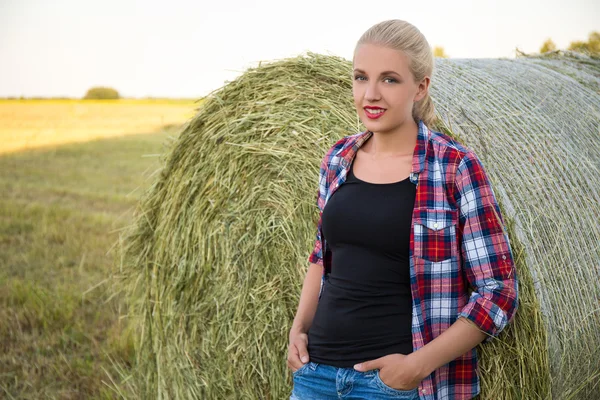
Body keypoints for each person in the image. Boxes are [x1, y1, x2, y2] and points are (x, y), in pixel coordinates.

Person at [287, 19, 518, 400]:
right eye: (361, 78)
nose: (370, 94)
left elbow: (499, 291)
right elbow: (321, 256)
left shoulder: (454, 167)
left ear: (421, 87)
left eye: (389, 79)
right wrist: (298, 329)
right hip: (315, 376)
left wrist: (416, 366)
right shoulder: (338, 158)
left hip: (396, 387)